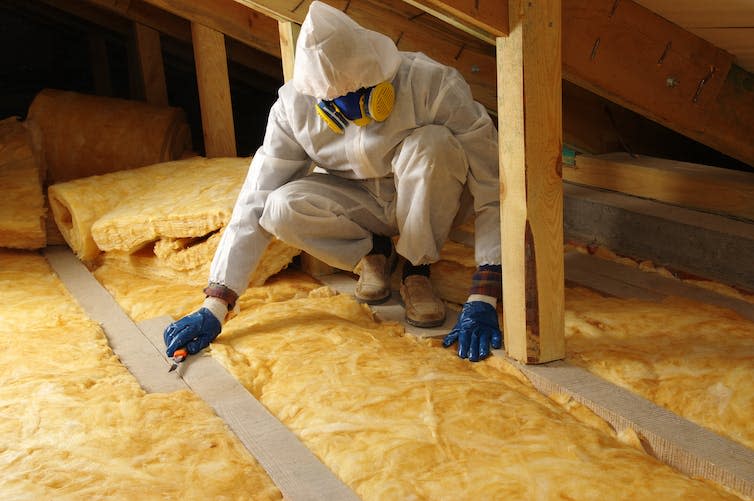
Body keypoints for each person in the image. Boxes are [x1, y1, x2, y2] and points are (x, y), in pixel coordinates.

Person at [164, 1, 502, 363]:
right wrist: (218, 301)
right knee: (279, 206)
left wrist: (485, 290)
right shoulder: (295, 107)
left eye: (363, 96)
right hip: (362, 204)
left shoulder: (430, 83)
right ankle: (374, 252)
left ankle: (416, 267)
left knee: (432, 146)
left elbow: (491, 181)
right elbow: (256, 197)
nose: (355, 112)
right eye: (339, 103)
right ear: (320, 97)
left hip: (432, 195)